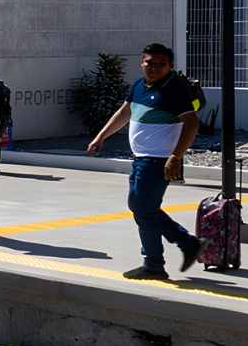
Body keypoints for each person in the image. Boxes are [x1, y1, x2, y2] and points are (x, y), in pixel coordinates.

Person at [85, 43, 203, 280]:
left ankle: (169, 253)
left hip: (158, 160)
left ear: (170, 66)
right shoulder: (139, 85)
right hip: (140, 158)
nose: (154, 68)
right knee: (142, 209)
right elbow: (124, 113)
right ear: (142, 62)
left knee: (142, 208)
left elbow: (192, 124)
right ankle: (166, 256)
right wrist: (101, 137)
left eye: (161, 64)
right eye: (150, 62)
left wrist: (175, 157)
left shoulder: (174, 89)